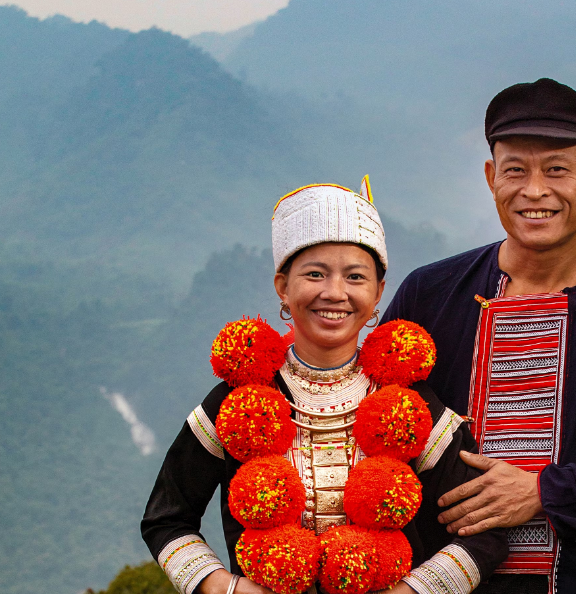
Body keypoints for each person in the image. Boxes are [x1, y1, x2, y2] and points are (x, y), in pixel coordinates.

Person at [380, 79, 576, 593]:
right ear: (490, 177)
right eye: (515, 170)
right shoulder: (430, 295)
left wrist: (544, 492)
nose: (534, 191)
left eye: (557, 170)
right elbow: (374, 420)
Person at [141, 179, 507, 594]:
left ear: (378, 294)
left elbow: (486, 534)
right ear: (283, 286)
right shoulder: (238, 402)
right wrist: (223, 587)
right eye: (315, 274)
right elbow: (165, 519)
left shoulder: (407, 406)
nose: (335, 293)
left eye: (355, 277)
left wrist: (413, 591)